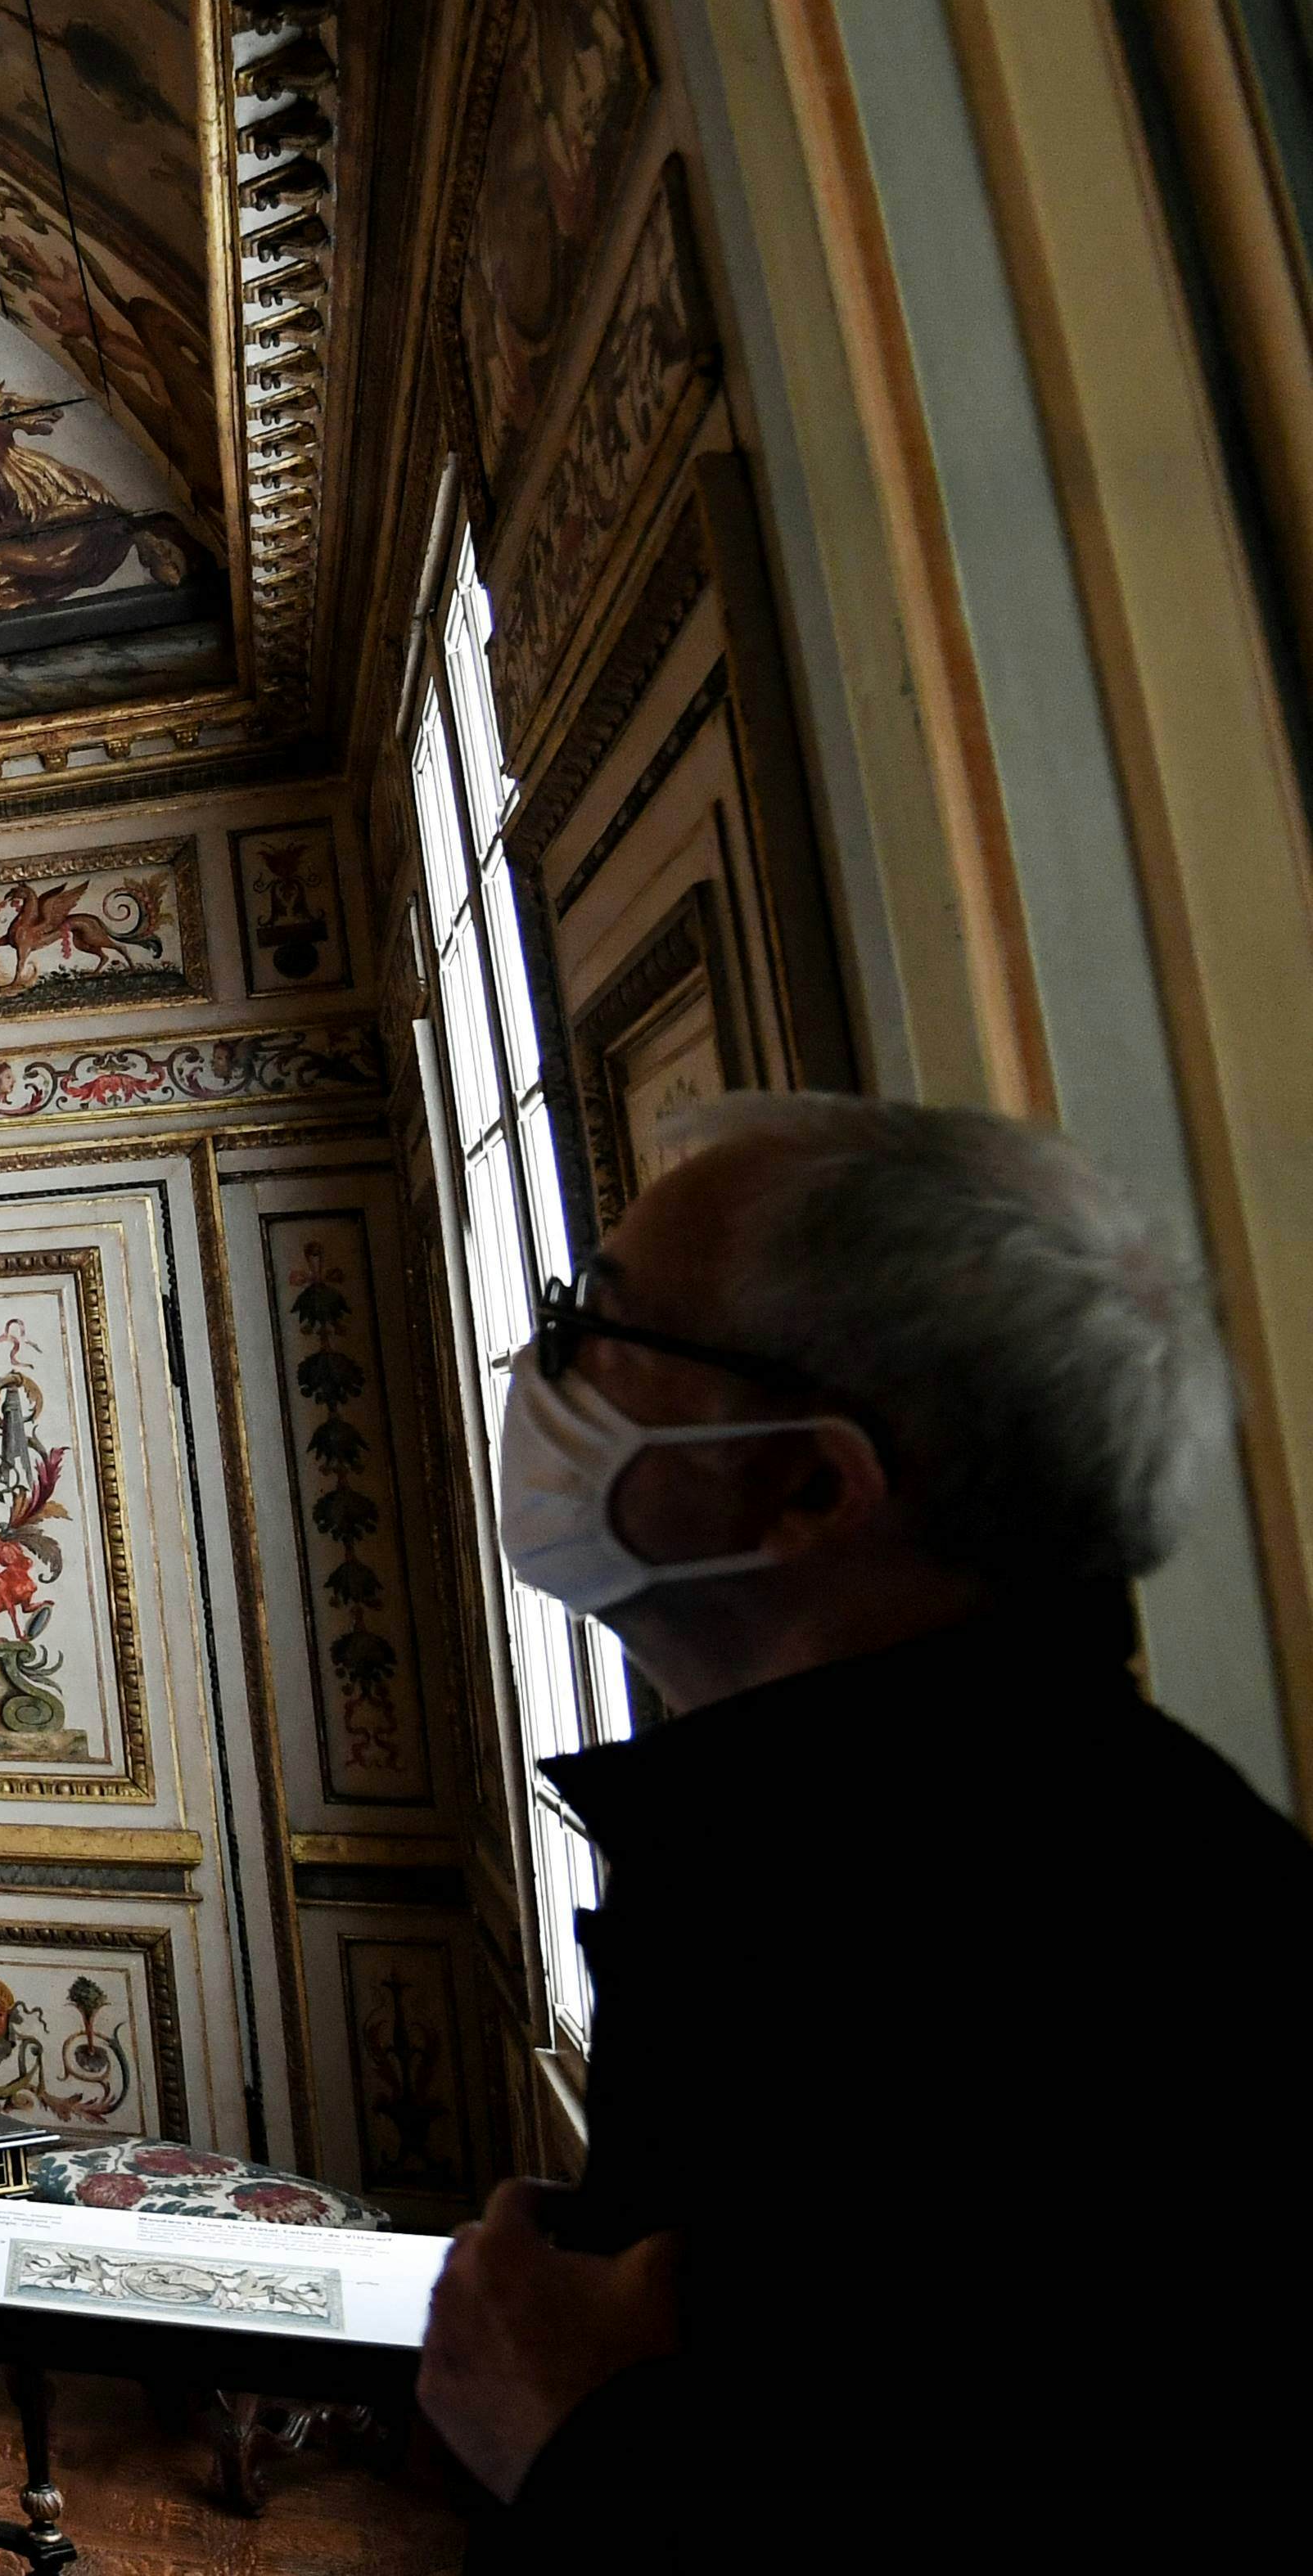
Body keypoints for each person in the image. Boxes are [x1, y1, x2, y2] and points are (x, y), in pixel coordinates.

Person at [422, 1094, 1313, 2566]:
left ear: (810, 1483)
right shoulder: (853, 1845)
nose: (541, 1365)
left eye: (597, 1320)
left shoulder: (1067, 1955)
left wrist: (574, 2445)